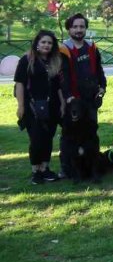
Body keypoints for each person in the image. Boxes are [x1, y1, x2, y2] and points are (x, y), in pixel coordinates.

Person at [14, 30, 69, 184]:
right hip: (32, 106)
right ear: (37, 43)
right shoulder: (26, 60)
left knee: (48, 138)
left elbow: (58, 85)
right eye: (43, 42)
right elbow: (19, 83)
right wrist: (21, 106)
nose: (46, 45)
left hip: (52, 106)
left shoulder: (55, 61)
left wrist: (63, 104)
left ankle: (45, 168)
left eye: (50, 43)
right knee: (36, 139)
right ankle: (35, 171)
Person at [59, 13, 107, 178]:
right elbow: (61, 75)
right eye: (75, 27)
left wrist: (103, 87)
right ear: (69, 29)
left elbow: (99, 70)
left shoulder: (92, 47)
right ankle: (66, 167)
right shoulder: (63, 49)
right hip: (72, 100)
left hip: (91, 98)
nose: (79, 30)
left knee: (91, 132)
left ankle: (91, 166)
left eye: (82, 26)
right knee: (68, 134)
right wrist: (67, 96)